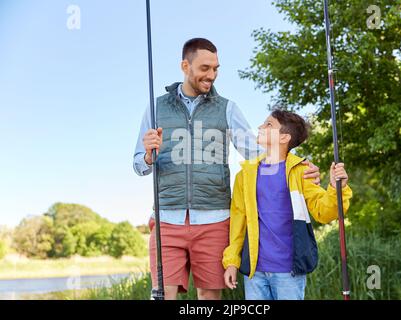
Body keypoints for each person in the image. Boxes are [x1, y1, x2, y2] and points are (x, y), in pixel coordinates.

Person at [133, 38, 322, 300]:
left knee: (209, 299)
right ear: (185, 65)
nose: (211, 75)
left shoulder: (227, 108)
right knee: (162, 296)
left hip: (214, 220)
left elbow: (261, 154)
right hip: (167, 218)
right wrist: (148, 157)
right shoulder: (156, 107)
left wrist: (297, 165)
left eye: (216, 69)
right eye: (205, 68)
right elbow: (138, 165)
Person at [222, 109, 353, 300]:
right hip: (255, 272)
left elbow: (324, 212)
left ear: (284, 137)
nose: (260, 127)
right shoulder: (245, 175)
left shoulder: (301, 172)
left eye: (268, 125)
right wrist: (232, 261)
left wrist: (336, 188)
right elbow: (238, 221)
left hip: (288, 272)